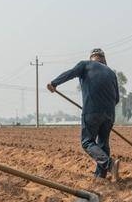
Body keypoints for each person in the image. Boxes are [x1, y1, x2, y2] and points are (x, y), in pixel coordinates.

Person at [47, 48, 120, 181]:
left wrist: (54, 83)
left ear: (92, 58)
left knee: (87, 142)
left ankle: (110, 165)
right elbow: (117, 99)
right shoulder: (111, 73)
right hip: (110, 113)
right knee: (103, 144)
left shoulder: (85, 65)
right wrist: (105, 110)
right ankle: (100, 176)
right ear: (104, 60)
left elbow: (70, 73)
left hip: (92, 110)